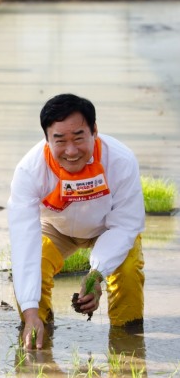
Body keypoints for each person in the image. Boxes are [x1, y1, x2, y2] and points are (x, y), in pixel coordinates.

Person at [8, 93, 145, 350]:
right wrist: (29, 311)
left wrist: (96, 275)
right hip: (56, 227)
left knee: (126, 271)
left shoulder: (121, 160)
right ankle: (39, 331)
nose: (71, 151)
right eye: (60, 140)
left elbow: (126, 224)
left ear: (94, 130)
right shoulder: (29, 170)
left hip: (107, 226)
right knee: (33, 265)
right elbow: (23, 240)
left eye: (79, 137)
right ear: (47, 139)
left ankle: (128, 341)